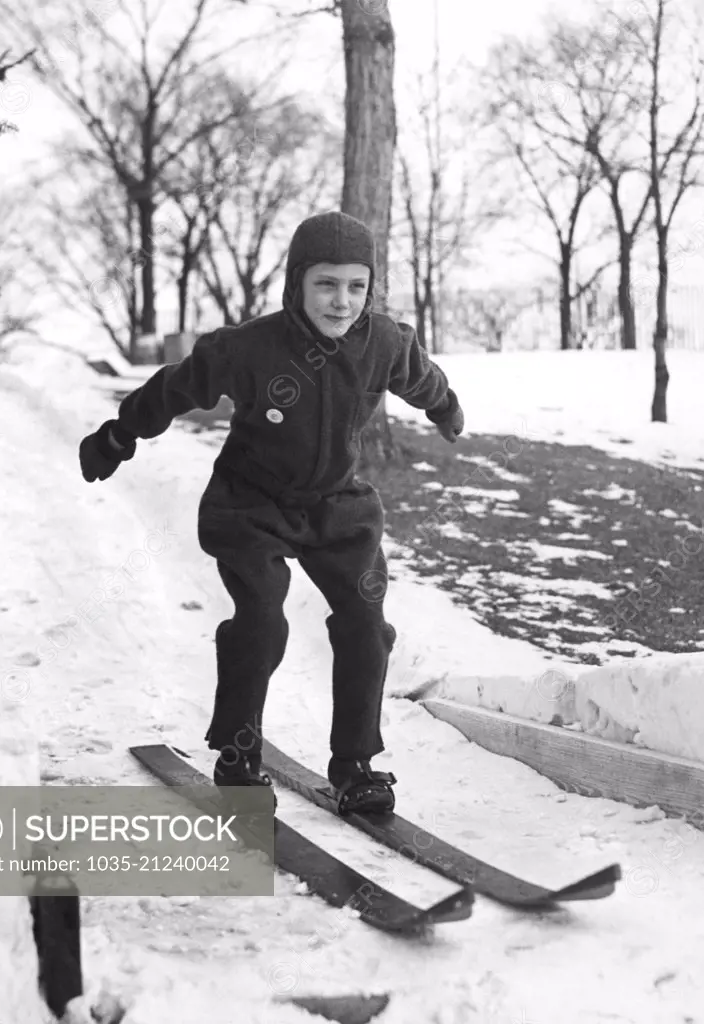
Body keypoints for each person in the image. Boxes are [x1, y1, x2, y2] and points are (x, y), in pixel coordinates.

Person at [79, 210, 463, 814]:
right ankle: (236, 752)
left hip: (337, 506)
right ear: (297, 284)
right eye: (326, 284)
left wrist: (446, 410)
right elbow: (175, 387)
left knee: (366, 626)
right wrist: (118, 435)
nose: (342, 301)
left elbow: (421, 378)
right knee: (262, 620)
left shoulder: (384, 341)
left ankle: (356, 763)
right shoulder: (248, 347)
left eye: (356, 286)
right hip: (250, 503)